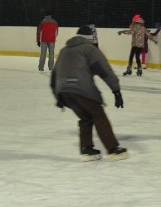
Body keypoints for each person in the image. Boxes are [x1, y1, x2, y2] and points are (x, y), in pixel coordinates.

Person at [51, 25, 128, 161]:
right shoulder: (90, 49)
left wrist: (58, 96)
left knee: (86, 117)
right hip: (81, 88)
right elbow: (104, 70)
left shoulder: (64, 50)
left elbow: (54, 76)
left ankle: (86, 149)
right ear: (90, 38)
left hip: (63, 91)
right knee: (99, 115)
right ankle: (113, 149)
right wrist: (116, 91)